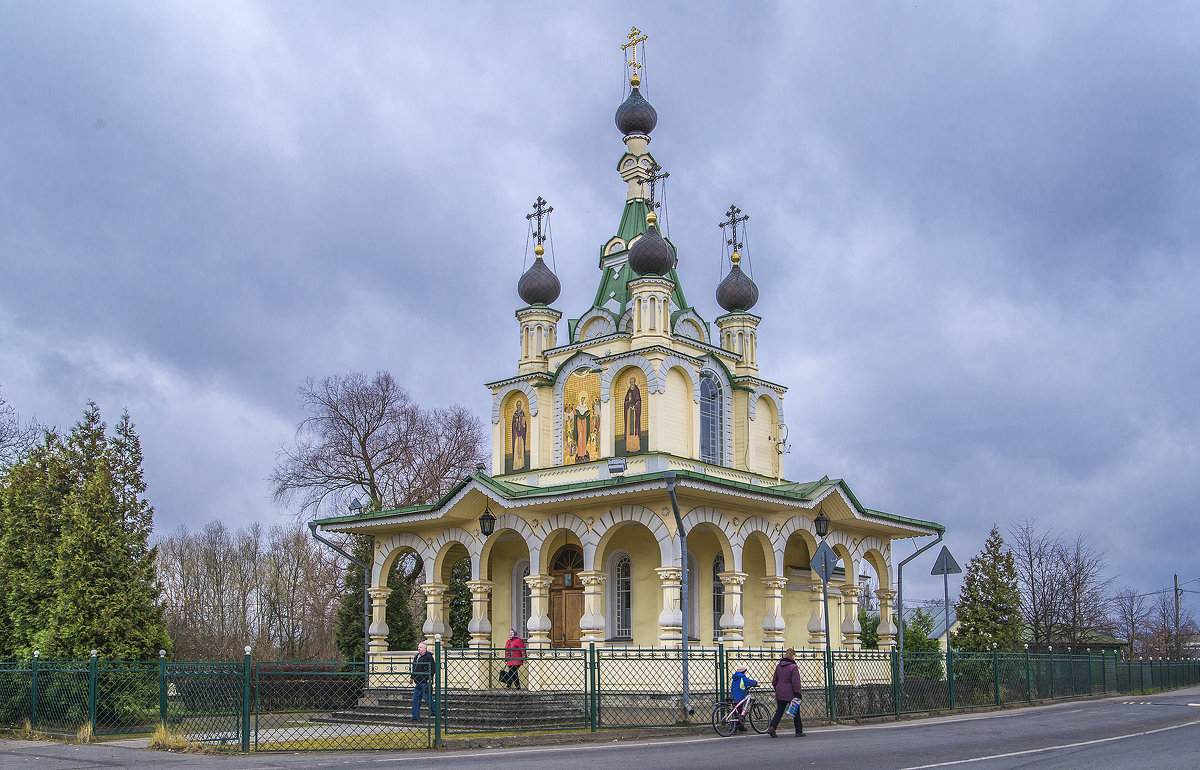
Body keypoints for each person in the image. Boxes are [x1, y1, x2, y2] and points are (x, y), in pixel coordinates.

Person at [767, 647, 804, 738]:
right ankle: (798, 731)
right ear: (793, 656)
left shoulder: (779, 666)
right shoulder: (793, 667)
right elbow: (796, 682)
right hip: (791, 692)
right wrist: (798, 694)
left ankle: (772, 727)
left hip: (780, 692)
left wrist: (778, 688)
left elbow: (774, 681)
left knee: (779, 711)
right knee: (795, 712)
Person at [410, 641, 437, 721]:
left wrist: (430, 678)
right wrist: (412, 677)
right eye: (418, 647)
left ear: (425, 649)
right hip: (418, 681)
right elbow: (414, 668)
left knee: (427, 698)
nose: (419, 649)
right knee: (416, 699)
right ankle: (415, 716)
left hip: (425, 681)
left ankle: (435, 711)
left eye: (420, 647)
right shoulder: (416, 657)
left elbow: (432, 668)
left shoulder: (429, 657)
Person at [730, 663, 757, 733]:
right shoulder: (742, 678)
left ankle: (740, 727)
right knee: (737, 713)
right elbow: (750, 682)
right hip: (739, 697)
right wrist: (755, 682)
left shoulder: (735, 678)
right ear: (744, 672)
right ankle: (734, 728)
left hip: (733, 696)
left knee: (737, 713)